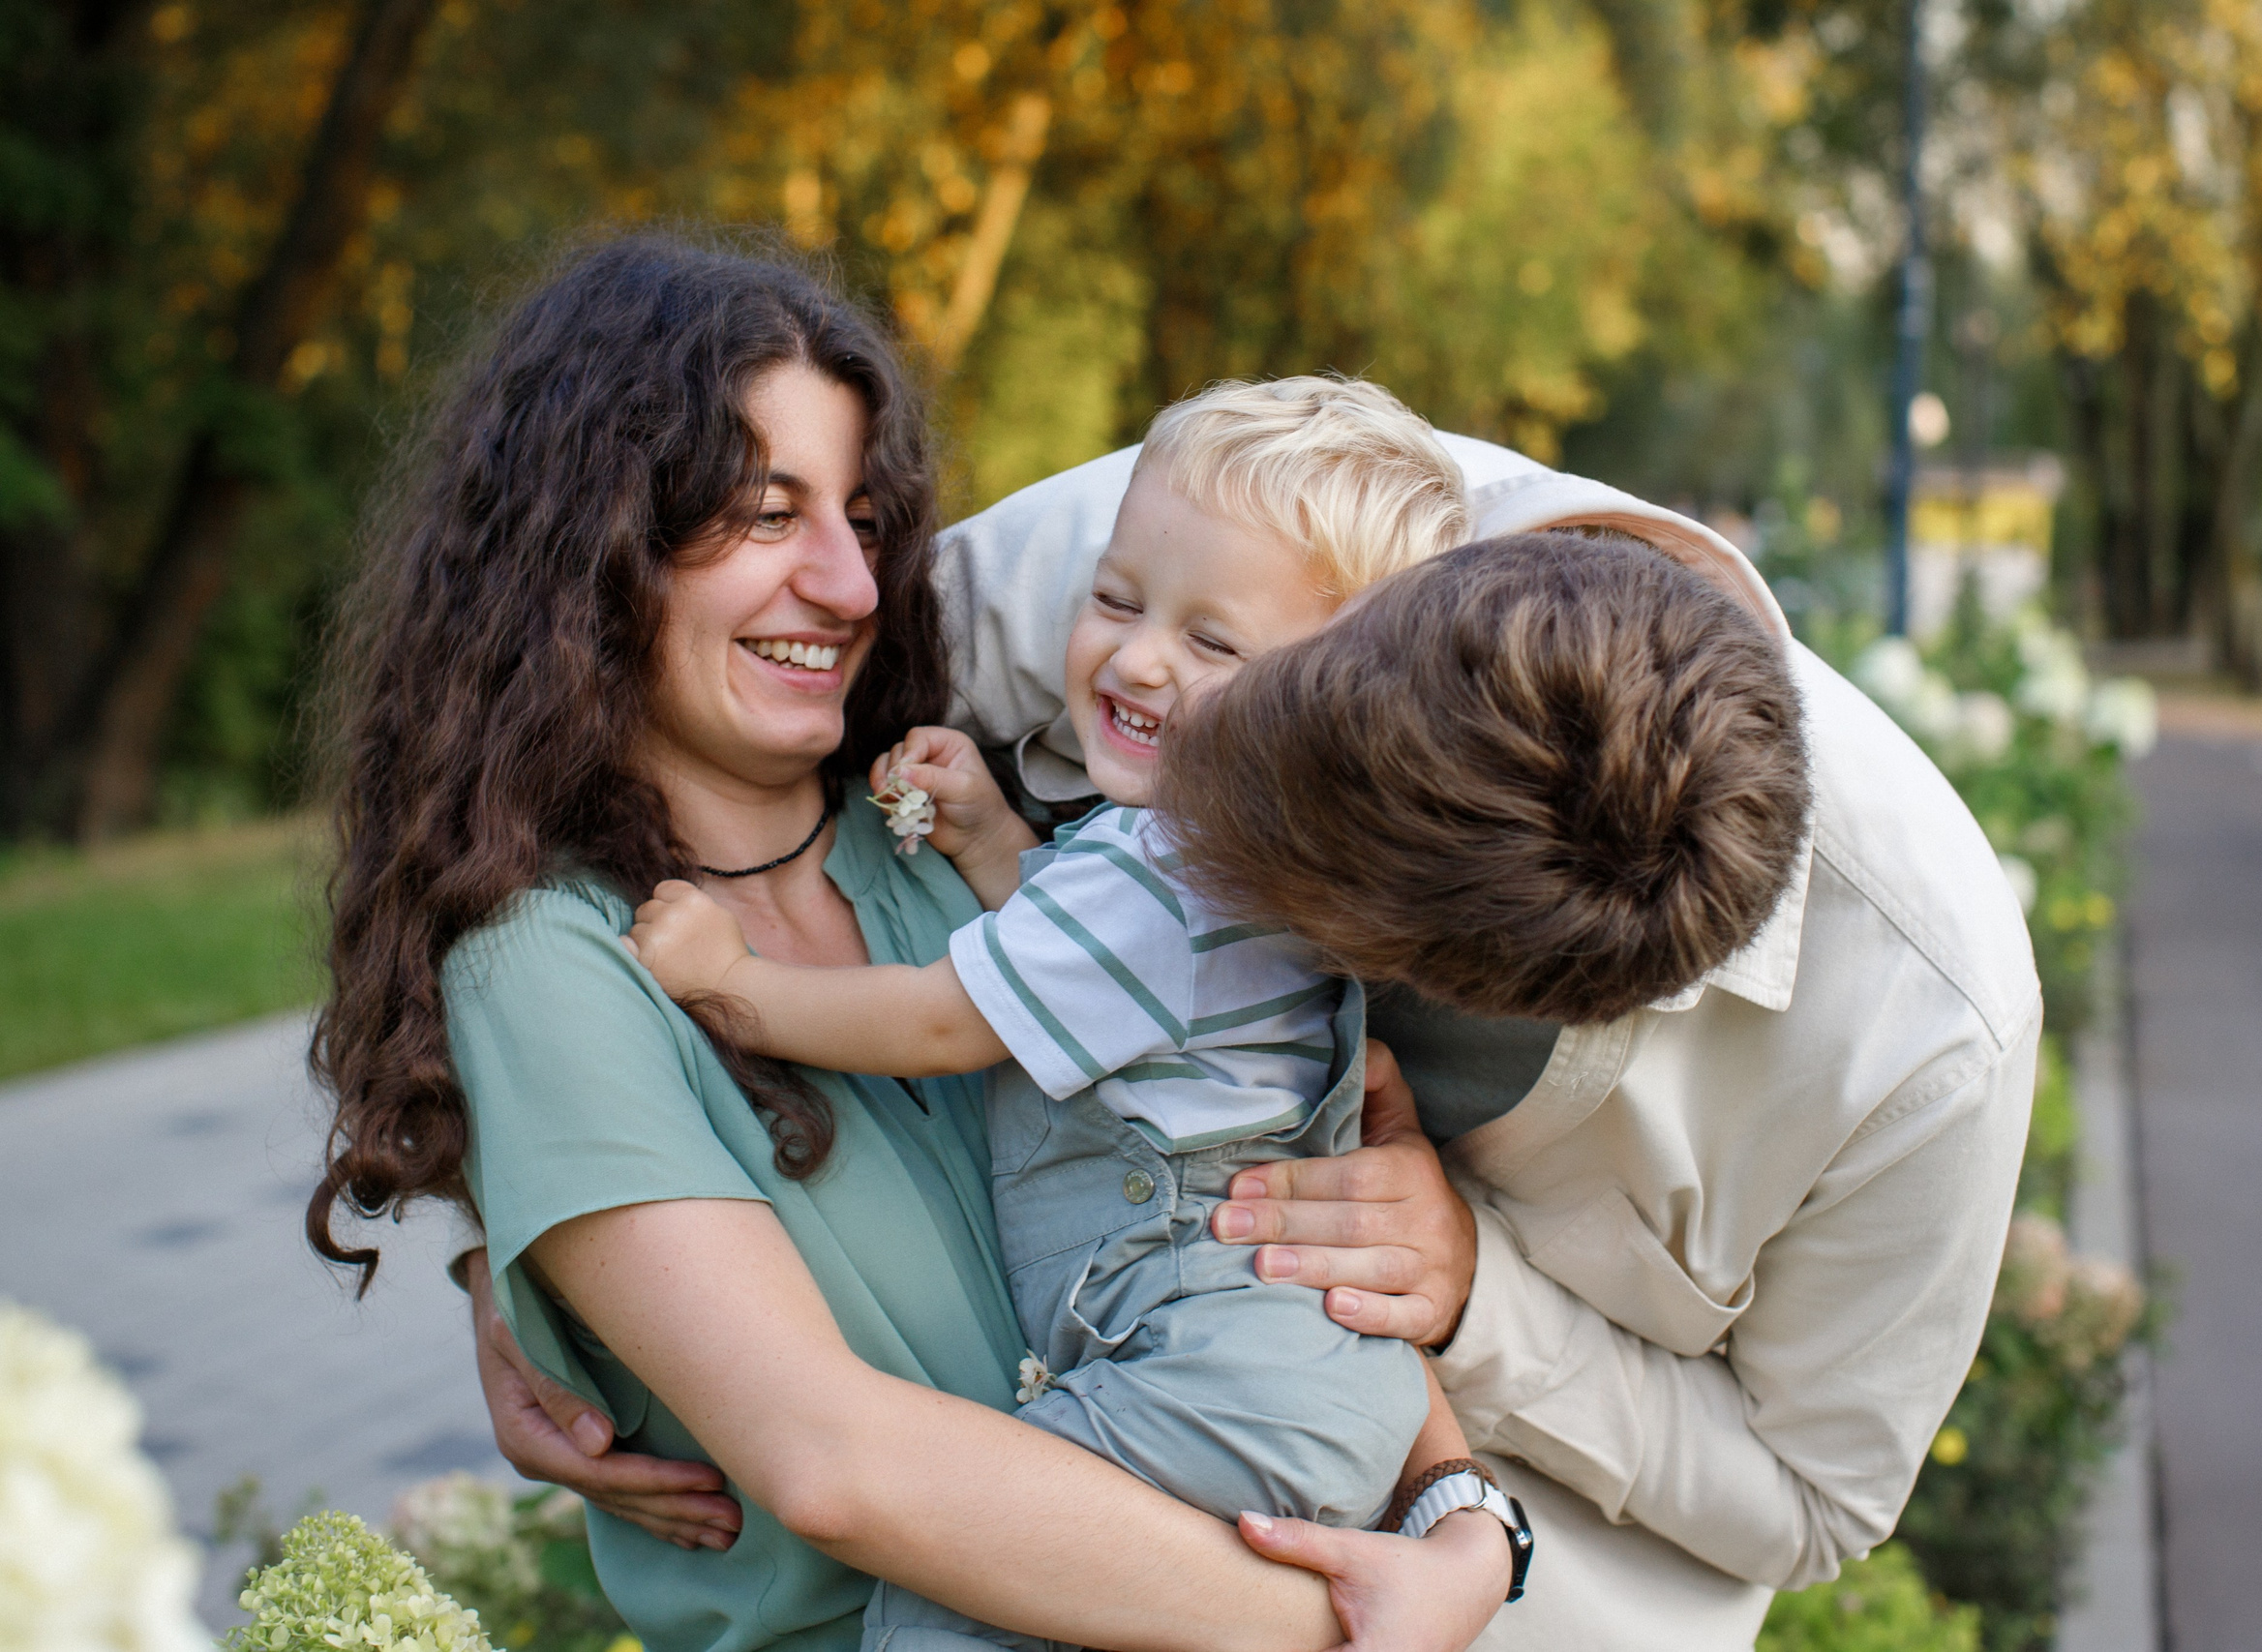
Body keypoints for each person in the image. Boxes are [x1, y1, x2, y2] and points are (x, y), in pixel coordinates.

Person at [483, 372, 2040, 1651]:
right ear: (1361, 632)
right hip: (1130, 1416)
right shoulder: (1246, 528)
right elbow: (630, 708)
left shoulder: (1927, 1048)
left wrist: (1478, 1302)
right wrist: (531, 1210)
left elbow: (1816, 1496)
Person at [309, 238, 1515, 1652]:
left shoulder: (965, 834)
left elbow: (1248, 1233)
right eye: (769, 515)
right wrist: (1342, 1631)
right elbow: (835, 1466)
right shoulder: (552, 962)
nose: (853, 584)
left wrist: (1467, 1526)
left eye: (867, 519)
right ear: (591, 548)